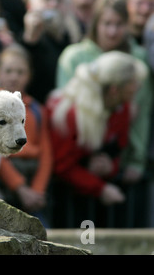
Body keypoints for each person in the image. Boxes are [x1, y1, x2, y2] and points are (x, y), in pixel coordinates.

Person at [56, 0, 151, 185]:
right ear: (95, 24)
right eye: (106, 23)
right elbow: (64, 112)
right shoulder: (74, 57)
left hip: (121, 160)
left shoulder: (139, 59)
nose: (112, 31)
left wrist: (137, 162)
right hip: (77, 158)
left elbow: (142, 114)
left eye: (119, 24)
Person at [46, 51, 147, 226]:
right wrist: (100, 188)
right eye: (133, 82)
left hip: (94, 202)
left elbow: (118, 149)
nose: (138, 86)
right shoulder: (69, 115)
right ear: (115, 90)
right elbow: (62, 166)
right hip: (65, 203)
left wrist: (110, 166)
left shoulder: (122, 109)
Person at [0, 43, 52, 224]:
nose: (14, 77)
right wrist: (20, 188)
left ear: (29, 75)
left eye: (20, 72)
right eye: (8, 71)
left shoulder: (37, 109)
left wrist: (37, 190)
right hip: (5, 183)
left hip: (33, 185)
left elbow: (46, 153)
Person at [18, 0, 81, 103]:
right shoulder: (24, 38)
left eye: (59, 0)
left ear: (69, 7)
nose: (53, 5)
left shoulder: (75, 40)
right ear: (31, 5)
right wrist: (31, 37)